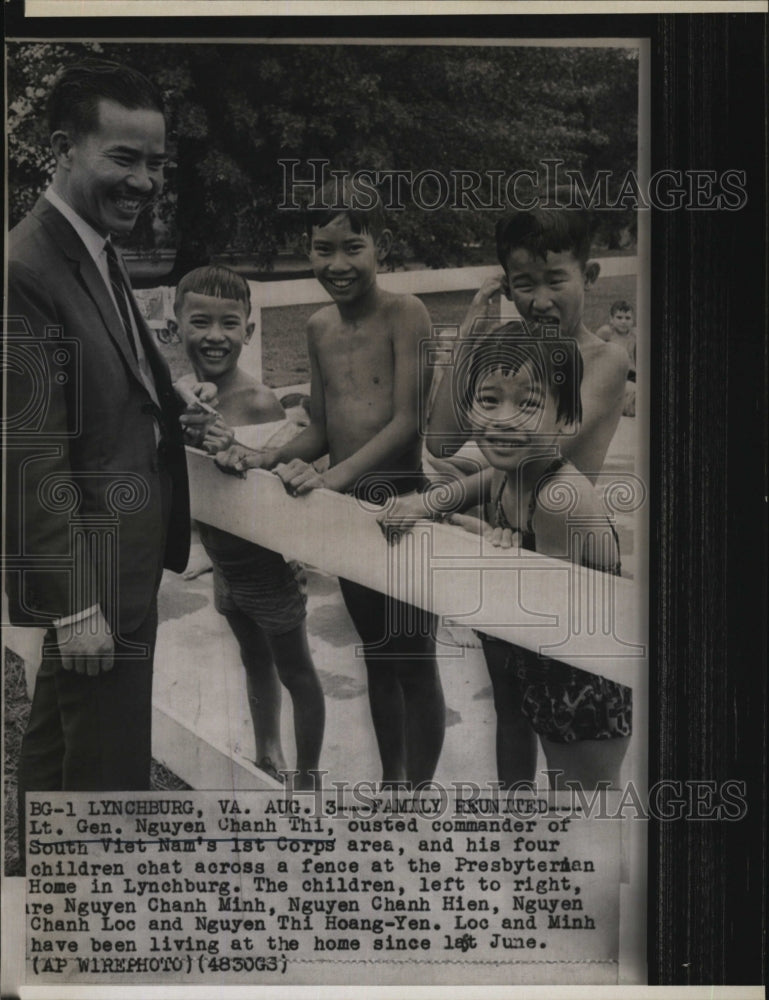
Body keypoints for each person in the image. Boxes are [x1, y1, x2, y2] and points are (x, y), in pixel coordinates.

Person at [6, 60, 212, 855]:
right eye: (123, 158)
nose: (145, 181)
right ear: (63, 148)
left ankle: (33, 913)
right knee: (106, 785)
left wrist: (172, 404)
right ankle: (87, 954)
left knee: (61, 747)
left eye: (156, 162)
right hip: (93, 573)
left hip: (118, 556)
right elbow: (27, 453)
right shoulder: (26, 268)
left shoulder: (89, 243)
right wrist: (76, 602)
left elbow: (109, 376)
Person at [215, 180, 445, 786]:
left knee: (414, 660)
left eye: (353, 247)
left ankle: (416, 800)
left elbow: (406, 423)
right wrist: (265, 459)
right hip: (348, 513)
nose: (337, 264)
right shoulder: (318, 327)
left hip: (401, 507)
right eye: (323, 249)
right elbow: (319, 427)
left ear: (382, 248)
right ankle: (393, 783)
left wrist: (329, 479)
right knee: (377, 657)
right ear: (308, 249)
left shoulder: (407, 313)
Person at [381, 331, 632, 789]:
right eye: (489, 400)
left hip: (585, 684)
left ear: (566, 419)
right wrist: (427, 504)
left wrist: (501, 548)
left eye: (528, 404)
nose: (504, 420)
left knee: (589, 814)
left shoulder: (560, 498)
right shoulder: (508, 471)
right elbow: (473, 487)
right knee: (569, 816)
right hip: (546, 670)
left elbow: (547, 605)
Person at [171, 264, 325, 790]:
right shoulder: (184, 396)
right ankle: (267, 755)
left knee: (296, 671)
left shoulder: (257, 399)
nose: (215, 336)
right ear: (176, 328)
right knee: (253, 658)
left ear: (249, 332)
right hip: (225, 565)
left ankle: (308, 780)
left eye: (229, 323)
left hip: (267, 566)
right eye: (200, 321)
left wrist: (233, 447)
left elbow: (270, 474)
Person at [426, 208, 629, 484]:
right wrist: (469, 332)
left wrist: (437, 501)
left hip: (556, 518)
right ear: (507, 288)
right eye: (524, 284)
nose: (541, 302)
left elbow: (542, 461)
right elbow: (440, 442)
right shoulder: (507, 356)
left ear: (589, 276)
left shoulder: (607, 359)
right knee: (431, 468)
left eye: (555, 281)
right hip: (503, 512)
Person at [597, 299, 636, 417]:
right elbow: (594, 352)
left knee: (634, 391)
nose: (623, 321)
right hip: (613, 373)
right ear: (611, 320)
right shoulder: (607, 332)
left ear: (633, 320)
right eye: (619, 317)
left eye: (628, 318)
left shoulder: (635, 334)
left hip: (631, 373)